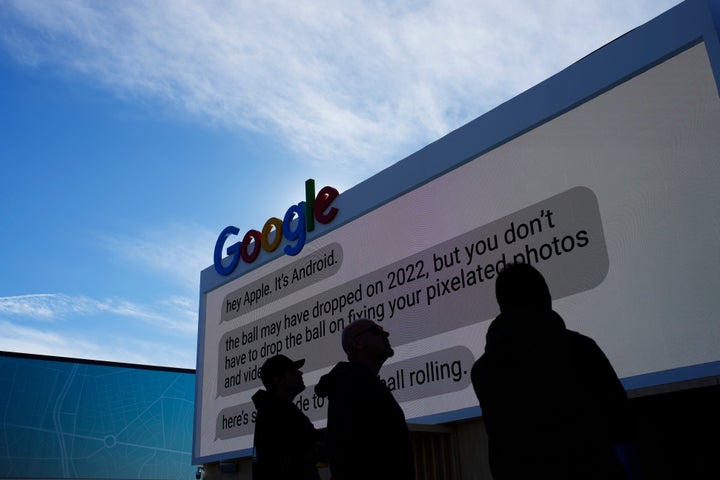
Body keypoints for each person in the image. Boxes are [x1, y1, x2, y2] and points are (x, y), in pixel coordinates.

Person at [471, 262, 632, 479]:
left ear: (502, 305)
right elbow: (621, 422)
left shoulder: (481, 370)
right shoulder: (579, 348)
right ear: (545, 297)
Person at [315, 319, 415, 480]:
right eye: (377, 330)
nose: (385, 333)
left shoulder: (361, 383)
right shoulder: (353, 385)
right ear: (357, 343)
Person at [252, 354, 322, 480]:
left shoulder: (277, 411)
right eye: (293, 371)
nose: (300, 373)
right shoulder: (276, 414)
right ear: (278, 379)